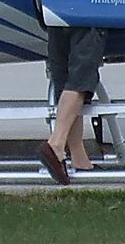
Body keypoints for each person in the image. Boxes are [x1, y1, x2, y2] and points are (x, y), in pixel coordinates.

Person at [38, 24, 106, 185]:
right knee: (81, 79)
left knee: (64, 77)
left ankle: (79, 158)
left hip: (55, 10)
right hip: (87, 7)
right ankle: (56, 143)